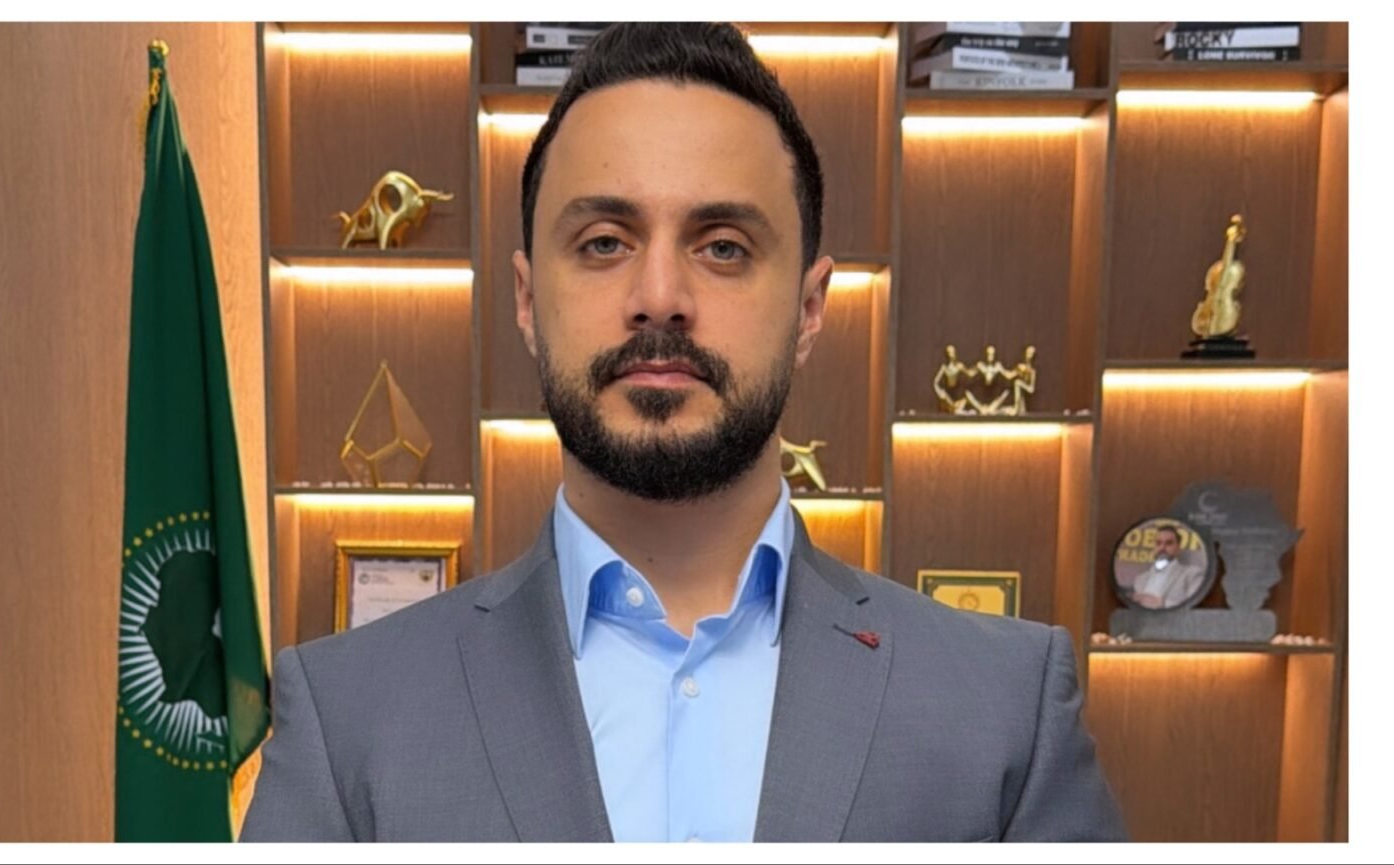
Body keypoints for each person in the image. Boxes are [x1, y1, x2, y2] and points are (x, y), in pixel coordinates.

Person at [241, 22, 1126, 843]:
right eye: (603, 242)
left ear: (810, 308)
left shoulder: (1005, 710)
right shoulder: (346, 716)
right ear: (526, 299)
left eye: (723, 246)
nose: (660, 295)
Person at [1129, 525, 1206, 610]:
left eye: (1169, 543)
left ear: (1178, 548)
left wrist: (1162, 603)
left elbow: (1195, 607)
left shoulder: (1192, 574)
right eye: (1158, 543)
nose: (1162, 548)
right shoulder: (1140, 579)